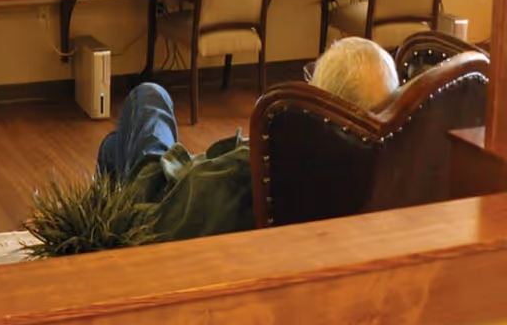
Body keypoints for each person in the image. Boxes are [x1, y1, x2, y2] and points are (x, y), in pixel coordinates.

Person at [95, 37, 400, 243]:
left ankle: (96, 241)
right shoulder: (387, 169)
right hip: (178, 191)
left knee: (148, 96)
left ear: (318, 100)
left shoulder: (258, 168)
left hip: (153, 197)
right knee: (114, 146)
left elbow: (167, 218)